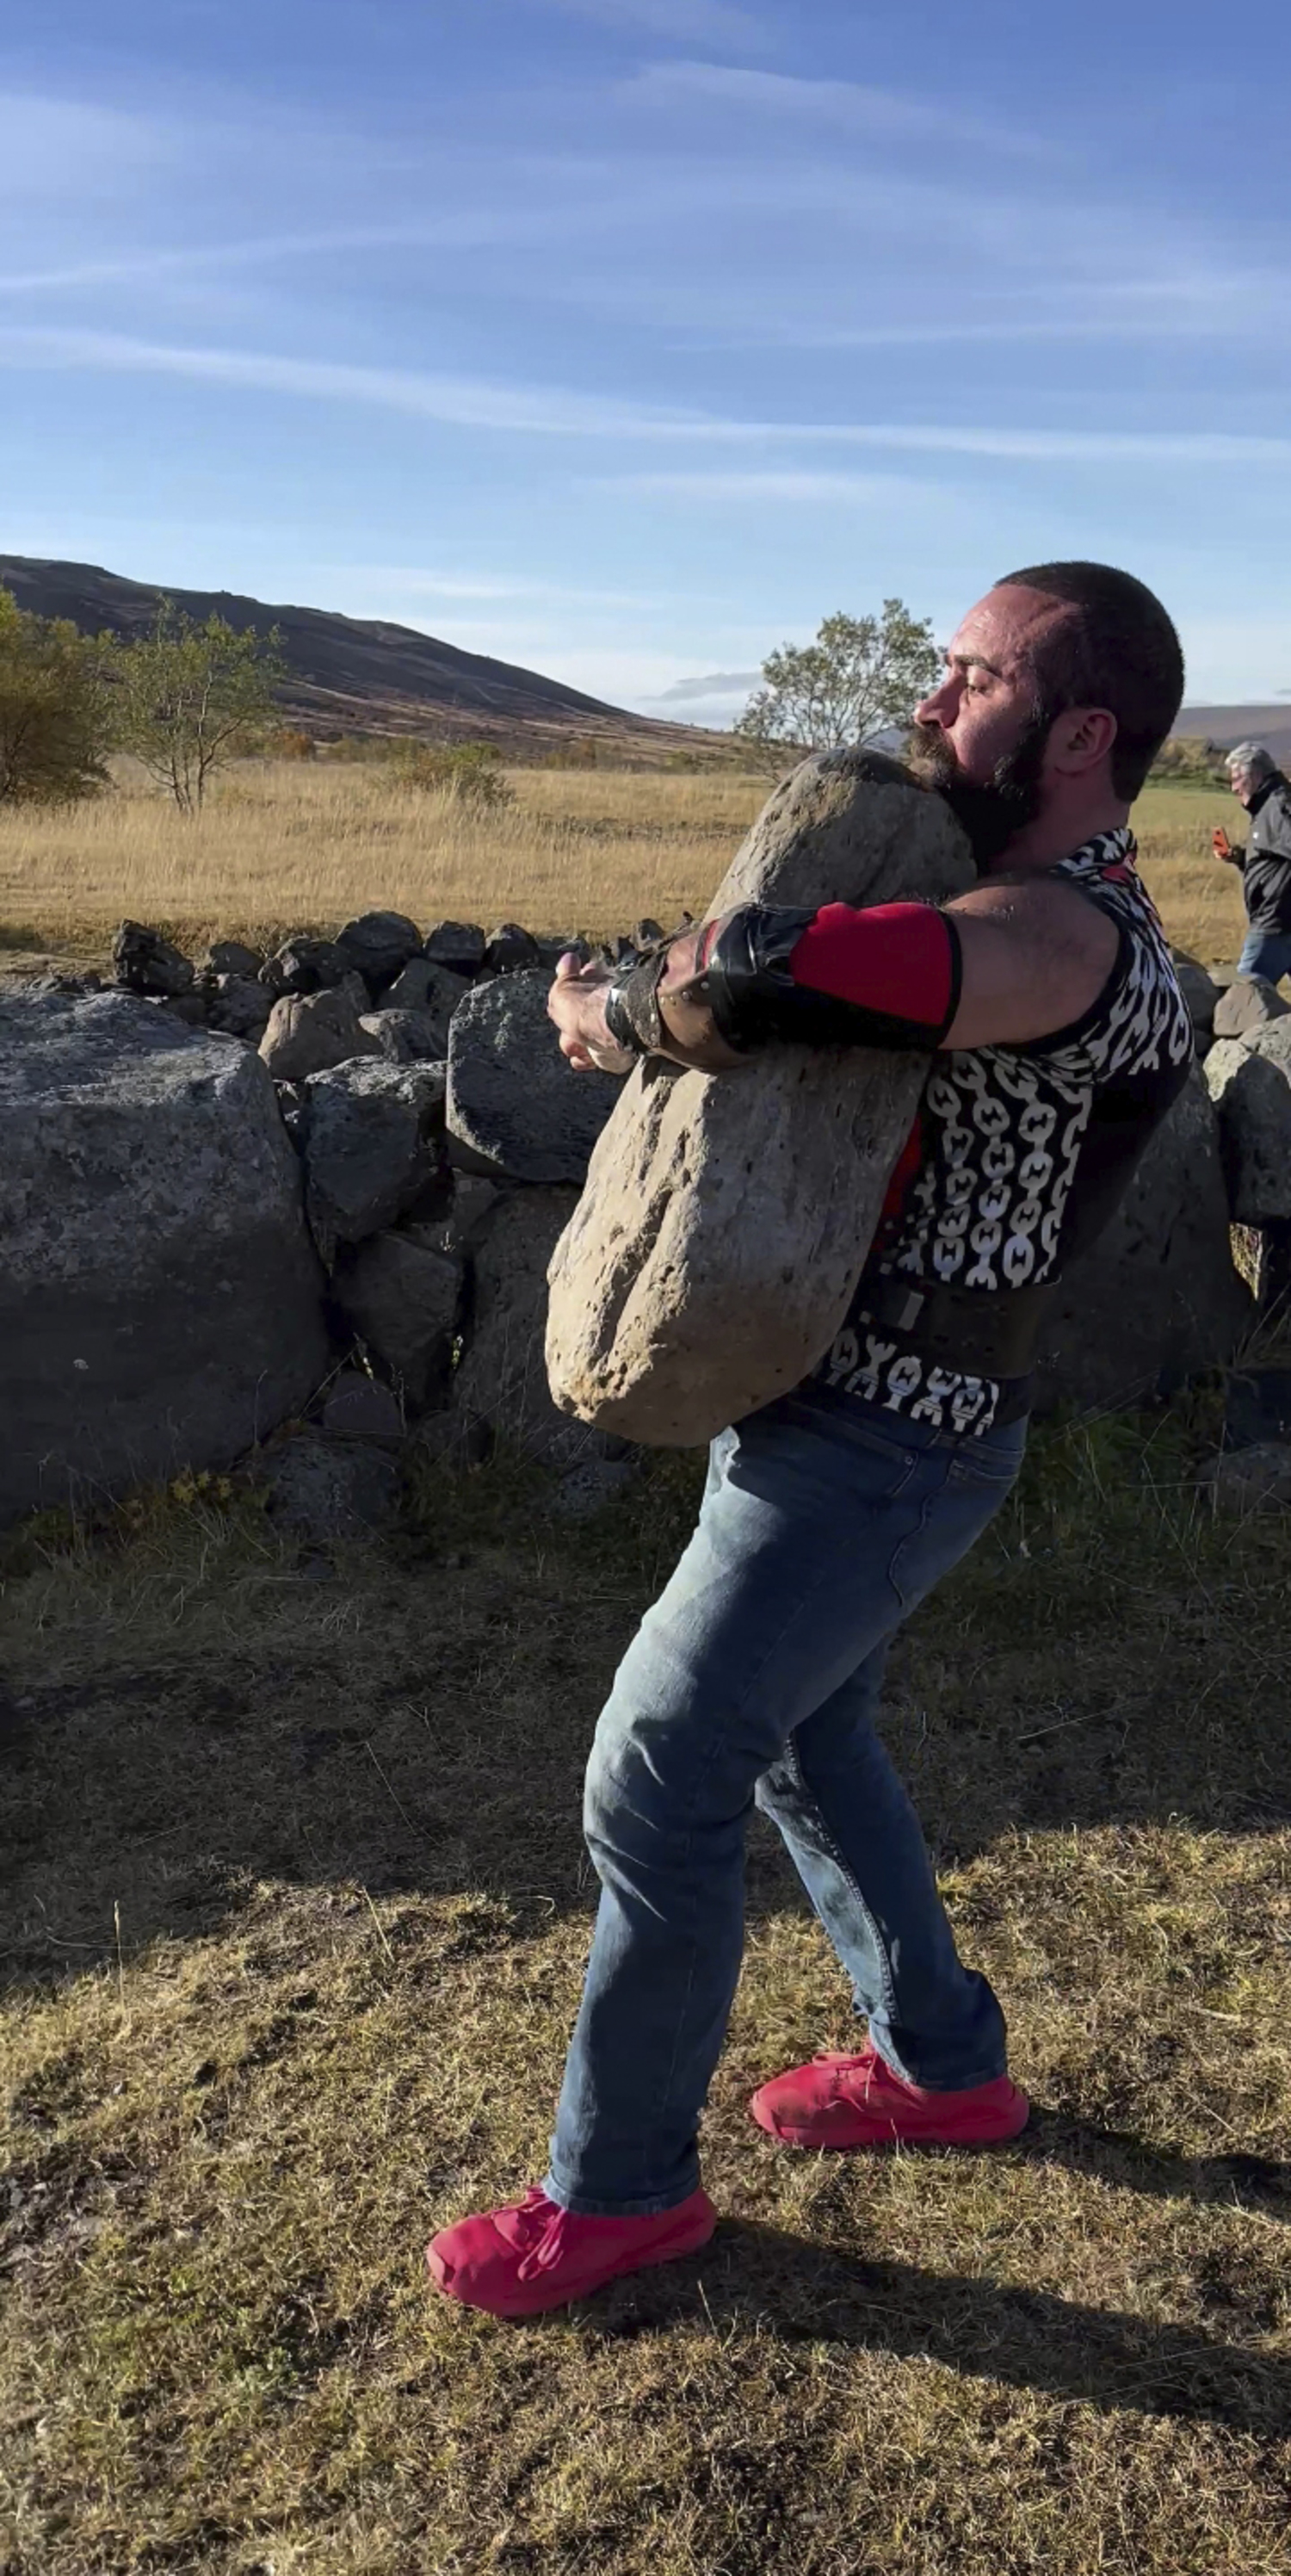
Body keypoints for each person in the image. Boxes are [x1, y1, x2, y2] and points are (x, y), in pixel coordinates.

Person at [427, 561, 1194, 2319]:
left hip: (890, 1445)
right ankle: (942, 2061)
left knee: (660, 1764)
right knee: (798, 1730)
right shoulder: (1023, 890)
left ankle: (614, 2193)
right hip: (844, 1419)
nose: (929, 703)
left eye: (968, 676)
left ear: (1081, 732)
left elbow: (810, 972)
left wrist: (614, 1011)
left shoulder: (1074, 935)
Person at [1213, 742, 1291, 987]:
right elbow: (1277, 864)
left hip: (1275, 923)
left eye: (1237, 779)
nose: (1233, 787)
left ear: (1255, 774)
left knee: (1240, 1000)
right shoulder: (1268, 807)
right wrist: (1241, 859)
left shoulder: (1278, 807)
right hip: (1282, 922)